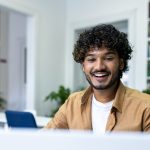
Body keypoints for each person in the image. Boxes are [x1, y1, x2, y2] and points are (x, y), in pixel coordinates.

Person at [45, 24, 150, 133]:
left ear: (121, 63)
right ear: (83, 66)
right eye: (91, 59)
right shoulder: (72, 103)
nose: (99, 66)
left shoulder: (146, 106)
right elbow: (43, 140)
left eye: (108, 58)